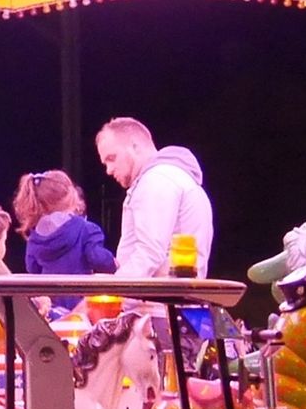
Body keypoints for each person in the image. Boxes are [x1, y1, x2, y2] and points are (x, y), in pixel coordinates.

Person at [95, 116, 213, 278]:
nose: (109, 170)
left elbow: (149, 253)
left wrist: (116, 287)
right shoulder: (177, 178)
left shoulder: (156, 180)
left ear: (135, 146)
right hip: (173, 289)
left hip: (160, 292)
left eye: (112, 158)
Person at [12, 169, 115, 313]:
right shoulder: (87, 229)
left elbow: (32, 268)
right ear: (71, 196)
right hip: (81, 307)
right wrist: (113, 263)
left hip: (49, 308)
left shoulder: (34, 238)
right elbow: (97, 258)